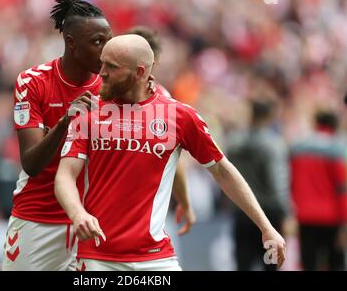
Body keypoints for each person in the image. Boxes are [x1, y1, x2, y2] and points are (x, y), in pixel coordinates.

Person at [54, 35, 286, 271]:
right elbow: (64, 175)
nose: (101, 73)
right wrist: (77, 213)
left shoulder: (179, 116)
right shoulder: (87, 113)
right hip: (97, 258)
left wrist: (266, 228)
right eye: (102, 63)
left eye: (111, 67)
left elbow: (222, 171)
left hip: (155, 259)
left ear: (140, 72)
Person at [3, 0, 112, 271]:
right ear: (70, 42)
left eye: (108, 41)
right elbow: (31, 163)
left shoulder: (112, 88)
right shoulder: (33, 82)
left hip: (91, 221)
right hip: (38, 219)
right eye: (98, 42)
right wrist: (66, 122)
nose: (106, 50)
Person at [127, 26, 196, 239]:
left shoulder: (98, 95)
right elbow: (172, 161)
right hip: (146, 218)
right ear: (154, 61)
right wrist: (185, 203)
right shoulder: (163, 103)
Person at [226, 100, 292, 270]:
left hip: (242, 213)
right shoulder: (273, 144)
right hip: (269, 216)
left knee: (242, 264)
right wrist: (286, 213)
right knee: (270, 265)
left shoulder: (234, 143)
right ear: (270, 115)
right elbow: (277, 183)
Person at [290, 111, 346, 270]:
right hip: (332, 218)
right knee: (336, 263)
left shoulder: (298, 146)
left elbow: (291, 183)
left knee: (308, 263)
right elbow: (342, 189)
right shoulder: (338, 148)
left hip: (305, 216)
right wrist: (344, 223)